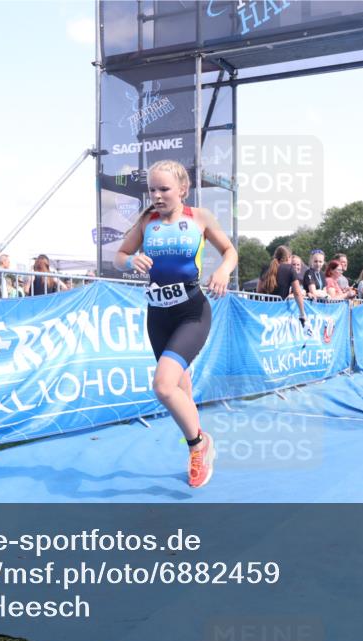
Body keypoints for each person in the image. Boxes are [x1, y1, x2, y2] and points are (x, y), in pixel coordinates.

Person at [113, 160, 237, 489]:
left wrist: (223, 270)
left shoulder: (200, 217)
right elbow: (119, 256)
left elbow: (229, 251)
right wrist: (130, 260)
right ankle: (197, 442)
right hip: (158, 316)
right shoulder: (146, 221)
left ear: (183, 189)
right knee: (180, 390)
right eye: (152, 189)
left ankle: (198, 446)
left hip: (191, 313)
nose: (156, 195)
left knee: (163, 386)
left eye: (164, 189)